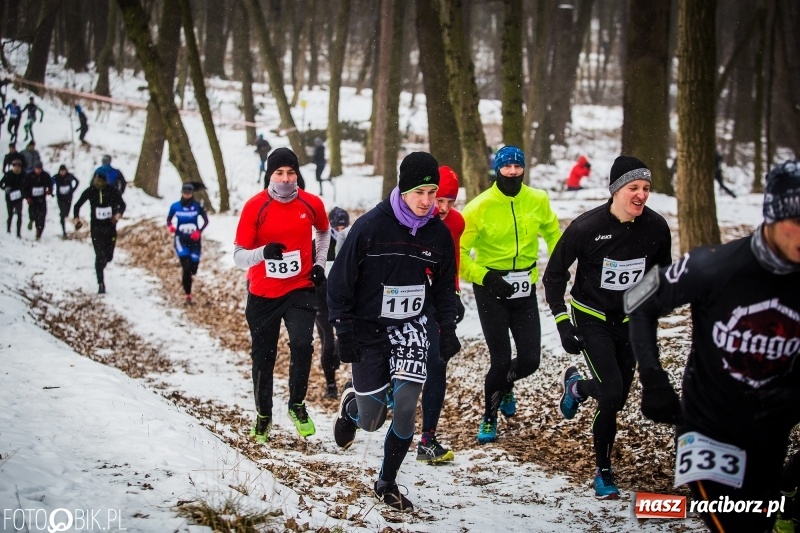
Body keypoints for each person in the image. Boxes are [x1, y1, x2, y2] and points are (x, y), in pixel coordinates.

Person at [626, 160, 800, 533]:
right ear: (772, 216)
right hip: (708, 429)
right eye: (797, 221)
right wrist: (653, 379)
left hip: (770, 435)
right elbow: (639, 300)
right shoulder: (713, 266)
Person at [328, 151, 460, 512]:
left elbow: (445, 286)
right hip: (368, 328)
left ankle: (386, 481)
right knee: (372, 420)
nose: (427, 202)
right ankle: (352, 408)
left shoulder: (437, 234)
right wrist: (343, 329)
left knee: (405, 406)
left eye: (433, 193)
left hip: (410, 326)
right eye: (420, 192)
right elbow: (339, 282)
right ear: (402, 189)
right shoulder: (371, 226)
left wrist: (446, 327)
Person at [542, 155, 672, 499]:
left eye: (646, 188)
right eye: (633, 188)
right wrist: (561, 322)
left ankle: (577, 389)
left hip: (629, 321)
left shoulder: (656, 228)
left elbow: (662, 275)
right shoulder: (586, 228)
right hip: (591, 317)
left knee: (616, 397)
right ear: (615, 190)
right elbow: (554, 275)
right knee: (612, 392)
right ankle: (603, 472)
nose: (641, 195)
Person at [460, 145, 562, 444]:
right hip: (491, 289)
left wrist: (556, 268)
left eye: (518, 167)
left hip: (523, 288)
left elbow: (554, 233)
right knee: (501, 360)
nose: (513, 172)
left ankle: (506, 386)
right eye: (507, 167)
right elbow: (460, 253)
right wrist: (485, 277)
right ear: (497, 170)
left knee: (530, 361)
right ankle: (489, 417)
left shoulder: (538, 199)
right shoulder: (479, 207)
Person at [233, 147, 330, 442]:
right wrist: (264, 252)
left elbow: (324, 233)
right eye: (279, 173)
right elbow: (238, 257)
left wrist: (318, 264)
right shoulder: (255, 207)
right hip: (263, 294)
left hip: (300, 288)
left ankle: (297, 405)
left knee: (302, 345)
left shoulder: (311, 203)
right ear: (269, 175)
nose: (286, 178)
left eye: (291, 172)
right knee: (264, 356)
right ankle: (263, 414)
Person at [418, 165, 466, 464]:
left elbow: (454, 258)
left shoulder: (455, 222)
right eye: (440, 200)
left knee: (437, 363)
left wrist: (455, 293)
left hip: (436, 296)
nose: (444, 208)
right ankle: (359, 397)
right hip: (403, 294)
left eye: (450, 201)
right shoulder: (412, 216)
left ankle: (427, 439)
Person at [314, 206, 349, 399]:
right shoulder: (319, 244)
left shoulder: (352, 243)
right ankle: (331, 385)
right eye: (337, 226)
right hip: (321, 303)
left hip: (344, 303)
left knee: (343, 341)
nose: (340, 230)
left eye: (344, 226)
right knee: (327, 342)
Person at [73, 171, 126, 294]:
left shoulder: (111, 190)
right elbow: (77, 205)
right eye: (96, 180)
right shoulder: (90, 191)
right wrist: (76, 219)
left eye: (100, 181)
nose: (98, 183)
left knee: (109, 256)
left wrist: (118, 214)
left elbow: (122, 204)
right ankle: (100, 283)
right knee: (99, 255)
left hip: (110, 227)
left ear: (105, 181)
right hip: (96, 228)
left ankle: (101, 266)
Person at [167, 183, 209, 305]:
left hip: (195, 241)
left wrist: (199, 231)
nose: (186, 195)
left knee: (193, 268)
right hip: (181, 239)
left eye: (189, 193)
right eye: (185, 193)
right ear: (182, 193)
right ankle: (188, 295)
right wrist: (170, 227)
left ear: (192, 193)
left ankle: (190, 277)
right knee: (186, 268)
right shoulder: (175, 206)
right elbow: (169, 219)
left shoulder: (197, 206)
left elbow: (206, 221)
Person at [23, 161, 51, 240]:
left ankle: (38, 233)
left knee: (42, 216)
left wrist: (50, 190)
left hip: (42, 199)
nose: (38, 170)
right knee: (33, 214)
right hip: (32, 199)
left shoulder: (46, 175)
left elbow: (50, 184)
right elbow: (24, 188)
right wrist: (27, 197)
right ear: (34, 168)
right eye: (37, 169)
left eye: (40, 169)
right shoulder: (29, 176)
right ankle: (31, 220)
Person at [0, 158, 25, 237]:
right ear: (12, 166)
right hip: (9, 198)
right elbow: (1, 184)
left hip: (19, 198)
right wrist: (5, 188)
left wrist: (24, 192)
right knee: (10, 214)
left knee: (19, 215)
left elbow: (28, 184)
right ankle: (8, 229)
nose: (17, 167)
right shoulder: (8, 174)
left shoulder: (23, 174)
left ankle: (18, 233)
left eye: (19, 166)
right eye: (15, 165)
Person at [53, 164, 79, 239]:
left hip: (68, 197)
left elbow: (77, 181)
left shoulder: (69, 176)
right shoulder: (56, 177)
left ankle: (63, 216)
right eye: (61, 171)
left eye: (64, 171)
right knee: (63, 213)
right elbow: (50, 182)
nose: (63, 172)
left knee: (66, 212)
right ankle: (64, 231)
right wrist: (50, 190)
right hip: (60, 198)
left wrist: (73, 190)